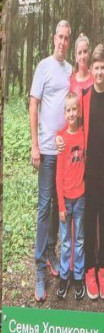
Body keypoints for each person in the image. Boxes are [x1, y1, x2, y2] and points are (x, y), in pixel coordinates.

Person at [30, 20, 72, 301]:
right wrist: (34, 144)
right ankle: (39, 270)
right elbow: (33, 103)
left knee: (59, 205)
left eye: (66, 38)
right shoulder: (44, 66)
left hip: (65, 153)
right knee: (45, 206)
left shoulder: (70, 71)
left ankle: (51, 254)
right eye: (59, 37)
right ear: (53, 37)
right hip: (45, 151)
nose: (62, 42)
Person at [55, 92, 86, 300]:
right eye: (68, 110)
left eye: (75, 109)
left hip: (81, 197)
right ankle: (64, 276)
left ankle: (78, 276)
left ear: (79, 111)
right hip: (66, 199)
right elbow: (58, 175)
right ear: (64, 113)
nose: (72, 113)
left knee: (80, 240)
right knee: (66, 241)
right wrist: (60, 206)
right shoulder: (62, 139)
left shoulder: (84, 135)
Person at [81, 44, 104, 300]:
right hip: (89, 172)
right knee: (89, 220)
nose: (99, 72)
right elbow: (74, 127)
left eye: (102, 68)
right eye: (96, 68)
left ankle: (103, 269)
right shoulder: (86, 96)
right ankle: (90, 269)